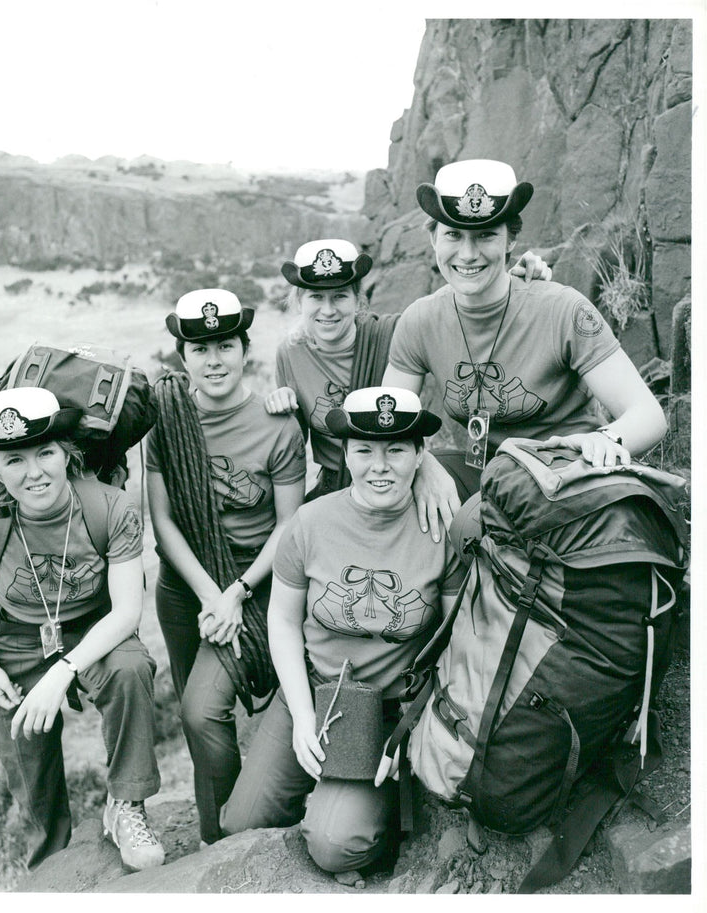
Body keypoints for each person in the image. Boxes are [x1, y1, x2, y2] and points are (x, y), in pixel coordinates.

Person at [221, 387, 465, 874]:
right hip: (313, 691)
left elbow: (459, 643)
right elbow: (285, 622)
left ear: (421, 455)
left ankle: (388, 798)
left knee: (335, 846)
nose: (380, 466)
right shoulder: (309, 523)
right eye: (364, 451)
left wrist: (410, 732)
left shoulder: (444, 529)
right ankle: (331, 784)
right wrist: (303, 713)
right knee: (242, 823)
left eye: (396, 450)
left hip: (390, 708)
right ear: (346, 454)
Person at [382, 158, 667, 538]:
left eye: (485, 235)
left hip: (568, 471)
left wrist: (602, 442)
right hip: (487, 470)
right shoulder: (419, 321)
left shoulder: (562, 309)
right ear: (433, 237)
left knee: (470, 529)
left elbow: (649, 415)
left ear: (511, 240)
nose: (467, 254)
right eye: (453, 234)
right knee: (397, 498)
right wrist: (423, 464)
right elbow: (389, 424)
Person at [0, 386, 164, 871]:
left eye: (45, 453)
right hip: (16, 638)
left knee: (130, 669)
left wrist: (64, 671)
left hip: (94, 626)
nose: (34, 473)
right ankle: (51, 864)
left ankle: (125, 805)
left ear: (67, 454)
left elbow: (127, 612)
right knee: (28, 765)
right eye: (13, 461)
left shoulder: (109, 508)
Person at [146, 288, 306, 845]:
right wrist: (211, 594)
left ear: (244, 350)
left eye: (224, 346)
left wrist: (235, 591)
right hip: (185, 586)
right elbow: (162, 523)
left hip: (256, 579)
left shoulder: (277, 423)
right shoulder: (165, 422)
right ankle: (215, 831)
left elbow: (289, 526)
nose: (213, 360)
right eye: (199, 349)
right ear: (182, 358)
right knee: (200, 723)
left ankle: (238, 828)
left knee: (199, 708)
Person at [266, 237, 552, 501]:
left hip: (401, 478)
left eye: (339, 296)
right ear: (299, 301)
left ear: (357, 300)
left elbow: (459, 313)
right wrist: (280, 409)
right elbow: (295, 442)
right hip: (335, 485)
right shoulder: (290, 353)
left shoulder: (393, 333)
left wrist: (506, 281)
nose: (328, 310)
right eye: (316, 297)